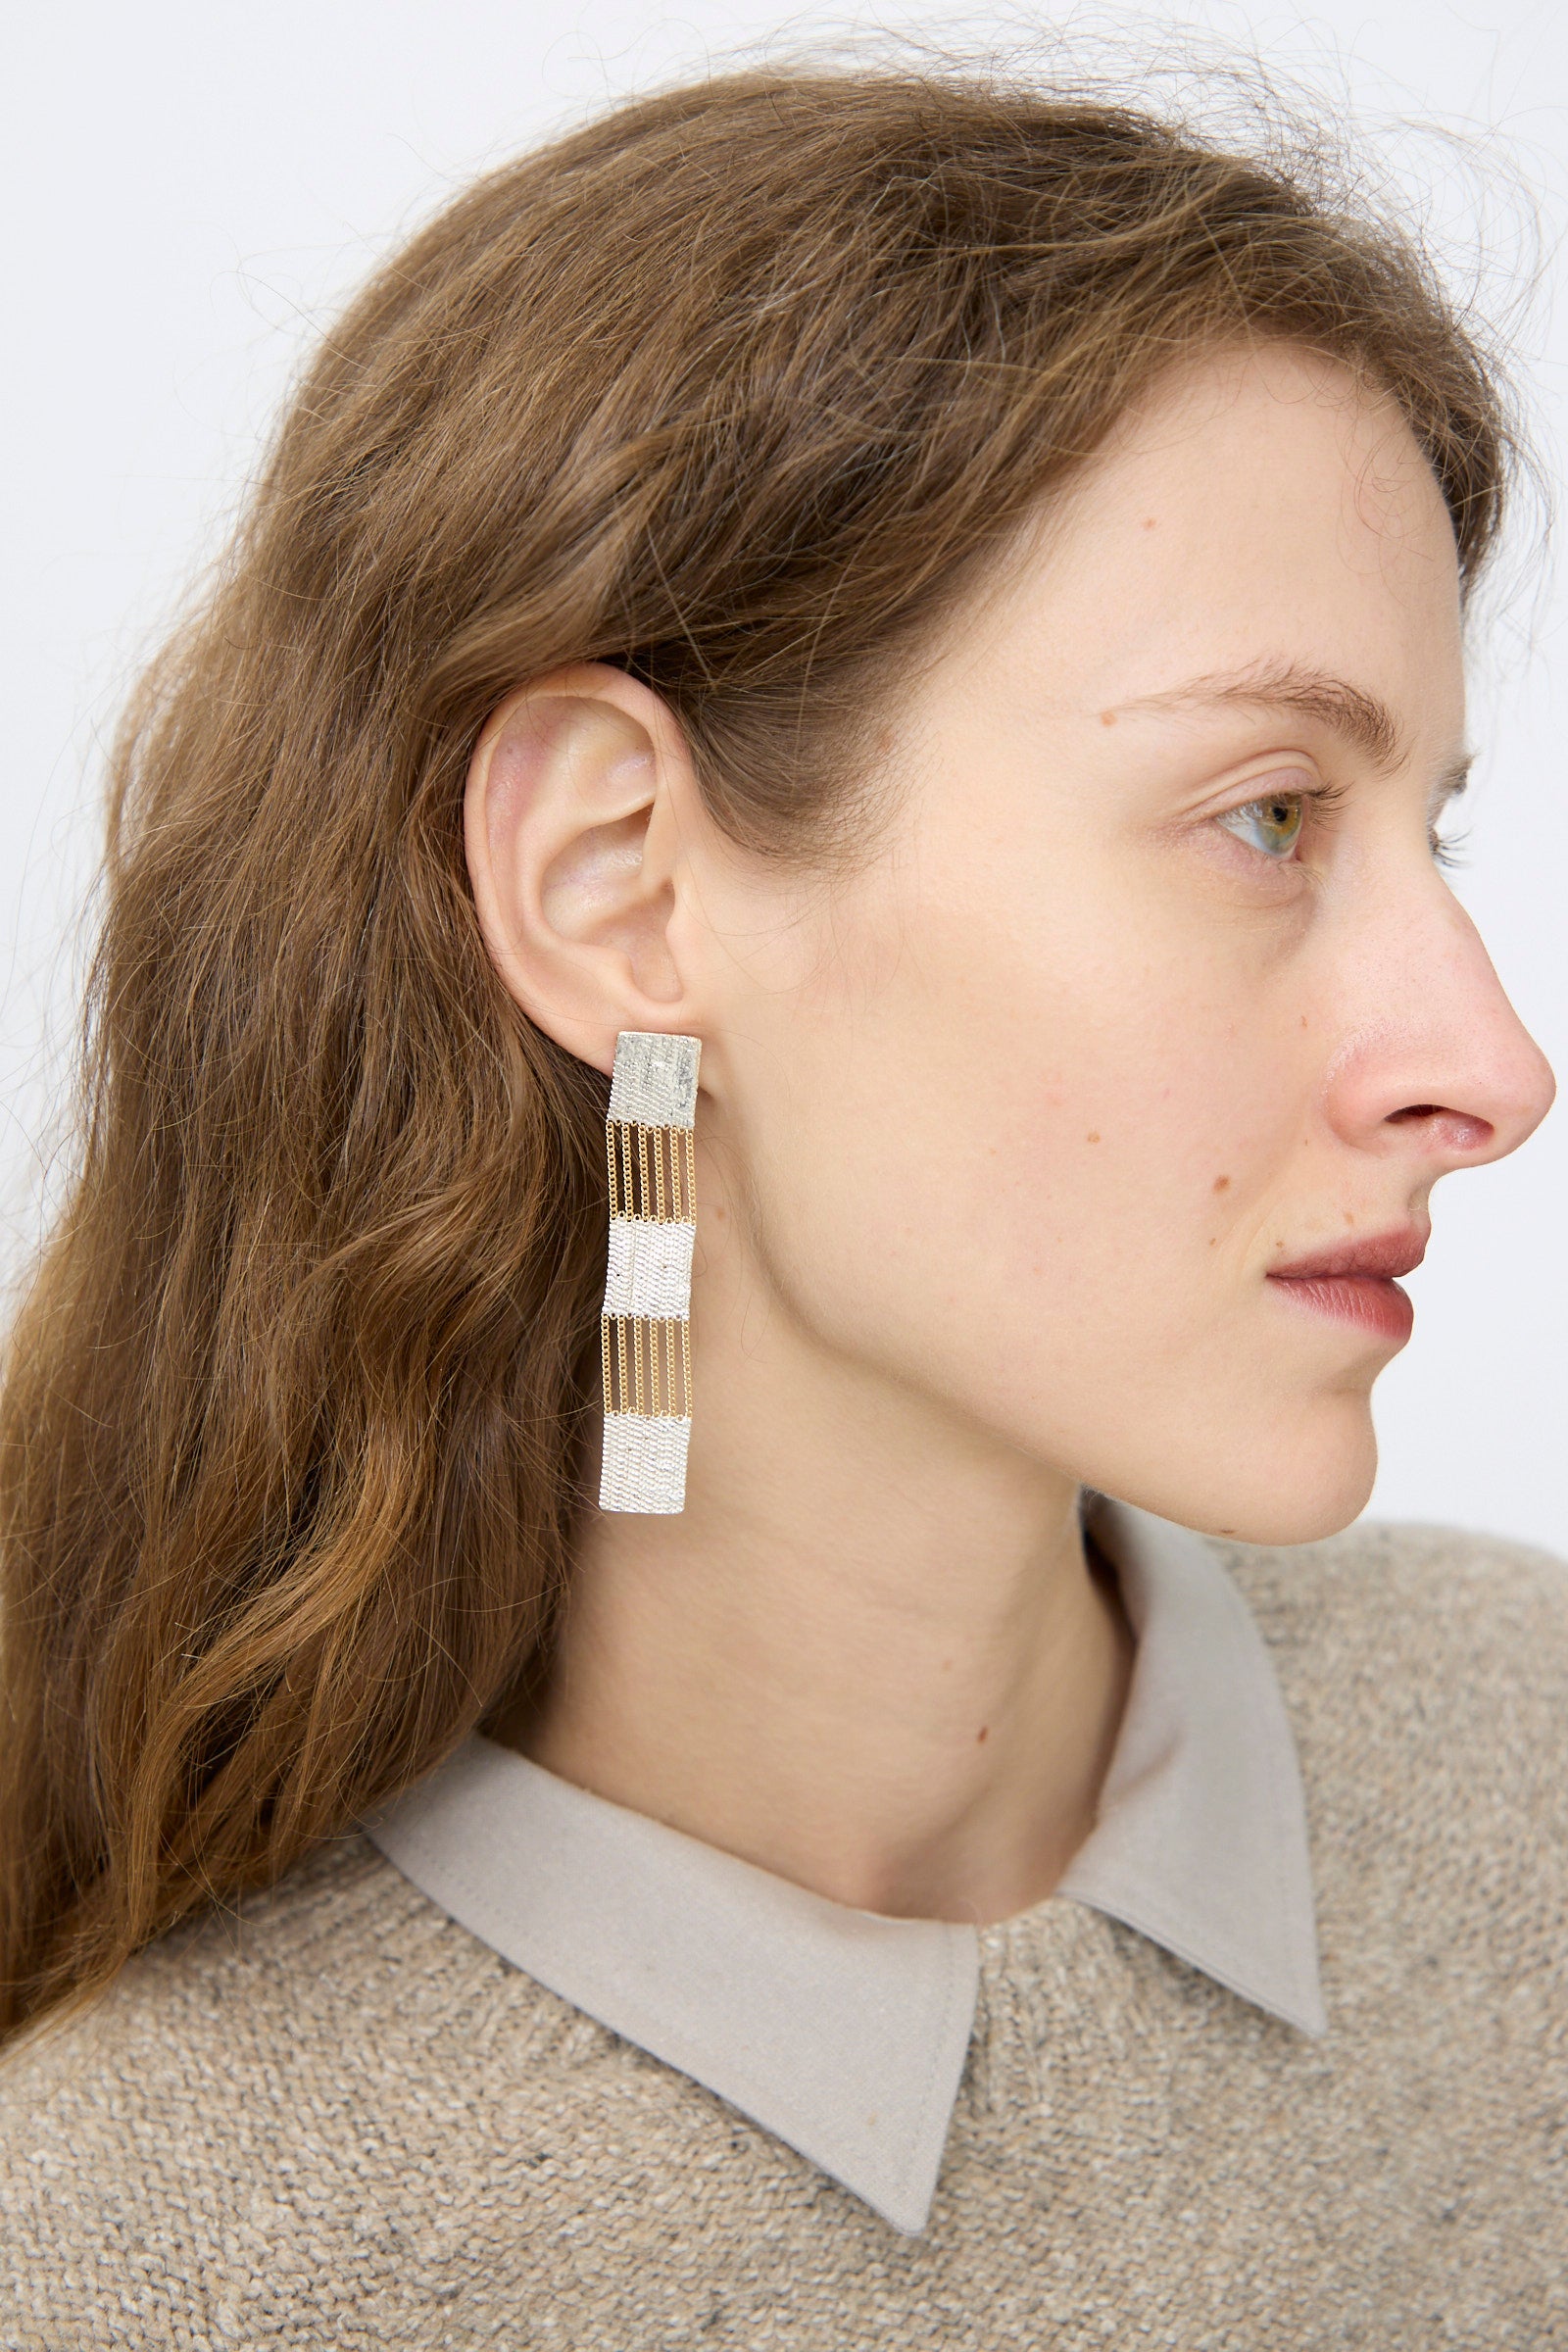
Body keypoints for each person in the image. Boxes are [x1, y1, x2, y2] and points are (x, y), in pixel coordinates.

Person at [0, 57, 1563, 2348]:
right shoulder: (151, 2260)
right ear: (620, 885)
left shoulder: (1525, 1786)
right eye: (1260, 817)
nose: (1485, 1069)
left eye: (1415, 829)